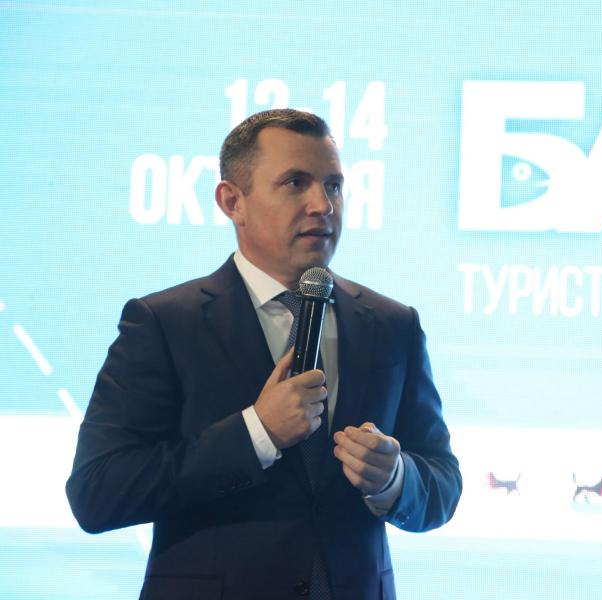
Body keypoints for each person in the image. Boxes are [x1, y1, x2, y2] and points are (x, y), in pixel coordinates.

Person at [66, 109, 462, 600]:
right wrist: (256, 434)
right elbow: (98, 492)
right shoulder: (164, 323)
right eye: (296, 183)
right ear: (233, 201)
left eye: (334, 186)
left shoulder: (392, 325)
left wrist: (395, 478)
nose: (322, 205)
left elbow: (443, 483)